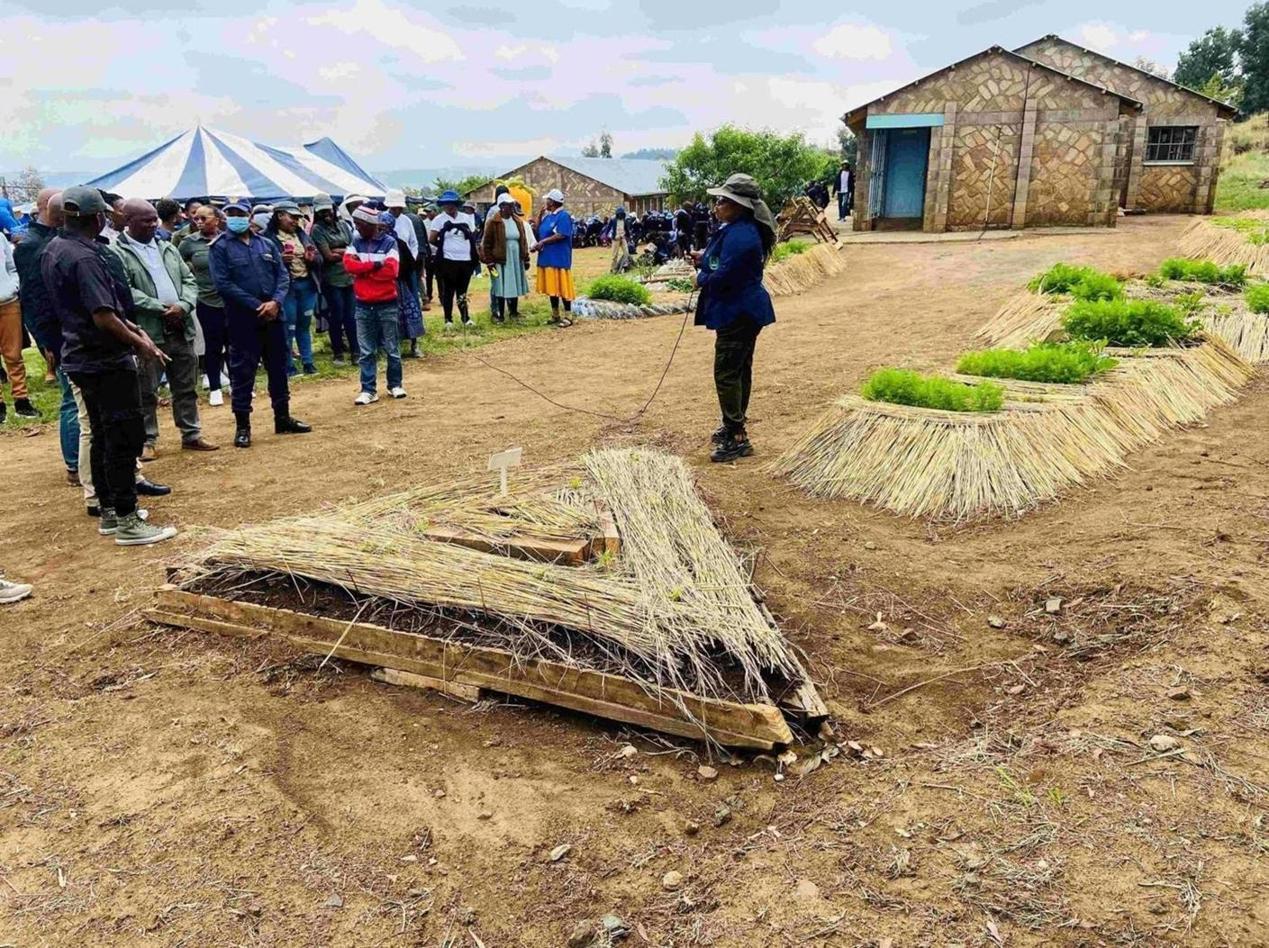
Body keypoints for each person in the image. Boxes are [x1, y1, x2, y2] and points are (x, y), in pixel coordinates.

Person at [40, 186, 178, 545]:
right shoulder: (85, 258)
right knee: (122, 437)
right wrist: (139, 344)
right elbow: (103, 315)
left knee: (102, 436)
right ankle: (128, 520)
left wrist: (138, 334)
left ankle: (110, 512)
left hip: (81, 356)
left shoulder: (57, 248)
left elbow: (103, 310)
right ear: (97, 218)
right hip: (104, 359)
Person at [112, 199, 217, 456]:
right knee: (146, 389)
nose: (152, 224)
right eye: (145, 220)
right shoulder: (118, 252)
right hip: (149, 330)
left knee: (185, 385)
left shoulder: (167, 247)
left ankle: (191, 434)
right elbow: (125, 291)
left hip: (180, 325)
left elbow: (189, 280)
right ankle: (147, 440)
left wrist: (183, 305)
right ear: (128, 221)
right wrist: (161, 308)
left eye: (154, 219)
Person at [209, 200, 312, 449]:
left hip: (274, 317)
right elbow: (223, 284)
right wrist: (258, 305)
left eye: (241, 213)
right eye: (231, 214)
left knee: (278, 368)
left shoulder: (265, 244)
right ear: (225, 217)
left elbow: (282, 276)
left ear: (250, 216)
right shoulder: (219, 247)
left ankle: (282, 417)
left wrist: (275, 302)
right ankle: (243, 426)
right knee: (243, 372)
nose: (237, 218)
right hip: (243, 320)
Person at [692, 173, 777, 464]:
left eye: (721, 201)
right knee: (739, 370)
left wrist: (701, 276)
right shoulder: (738, 229)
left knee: (727, 372)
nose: (716, 206)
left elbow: (724, 274)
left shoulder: (742, 235)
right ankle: (733, 424)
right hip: (742, 309)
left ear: (738, 205)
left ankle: (737, 435)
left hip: (739, 311)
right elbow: (720, 260)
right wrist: (704, 257)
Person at [15, 189, 79, 477]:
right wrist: (45, 341)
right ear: (49, 208)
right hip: (58, 334)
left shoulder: (54, 239)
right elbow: (33, 299)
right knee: (71, 400)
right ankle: (74, 464)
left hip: (70, 329)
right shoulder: (31, 245)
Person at [344, 204, 404, 404]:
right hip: (363, 304)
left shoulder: (390, 243)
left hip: (387, 302)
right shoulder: (355, 242)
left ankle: (395, 384)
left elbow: (391, 272)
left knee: (392, 347)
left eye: (359, 224)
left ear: (371, 224)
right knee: (366, 350)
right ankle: (368, 389)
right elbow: (348, 266)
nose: (357, 227)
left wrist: (364, 271)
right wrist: (375, 265)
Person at [179, 205, 229, 406]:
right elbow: (177, 267)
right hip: (206, 300)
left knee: (234, 343)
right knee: (213, 345)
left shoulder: (228, 239)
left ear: (217, 219)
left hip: (230, 300)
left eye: (204, 218)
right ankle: (215, 387)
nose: (199, 222)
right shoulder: (189, 243)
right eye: (196, 219)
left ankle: (236, 383)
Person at [266, 201, 319, 376]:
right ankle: (288, 365)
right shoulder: (268, 238)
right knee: (288, 326)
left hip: (306, 284)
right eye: (292, 217)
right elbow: (262, 265)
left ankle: (308, 361)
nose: (296, 221)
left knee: (304, 324)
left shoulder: (303, 236)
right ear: (280, 215)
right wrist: (279, 259)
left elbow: (319, 259)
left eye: (298, 218)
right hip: (286, 288)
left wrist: (312, 258)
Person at [310, 193, 357, 366]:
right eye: (321, 212)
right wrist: (342, 252)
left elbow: (353, 250)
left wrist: (340, 251)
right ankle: (338, 352)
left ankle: (355, 351)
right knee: (336, 315)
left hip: (349, 276)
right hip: (331, 279)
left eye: (328, 210)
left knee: (351, 316)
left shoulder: (343, 225)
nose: (326, 214)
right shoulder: (317, 230)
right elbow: (327, 256)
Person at [427, 190, 478, 332]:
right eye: (446, 204)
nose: (450, 207)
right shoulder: (439, 220)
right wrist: (443, 245)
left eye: (452, 204)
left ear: (457, 205)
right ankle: (448, 319)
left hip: (466, 259)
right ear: (443, 206)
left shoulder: (466, 218)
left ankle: (465, 317)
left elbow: (472, 235)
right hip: (448, 260)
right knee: (448, 290)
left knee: (462, 290)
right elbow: (431, 239)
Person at [0, 233, 38, 421]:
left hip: (8, 302)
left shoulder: (0, 238)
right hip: (8, 301)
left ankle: (21, 401)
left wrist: (13, 287)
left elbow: (11, 267)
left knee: (14, 354)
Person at [385, 190, 424, 356]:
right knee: (391, 309)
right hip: (389, 273)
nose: (397, 210)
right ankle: (392, 346)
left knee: (413, 303)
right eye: (394, 207)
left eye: (399, 207)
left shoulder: (407, 221)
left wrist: (411, 259)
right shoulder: (383, 220)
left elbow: (414, 243)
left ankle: (414, 344)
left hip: (407, 269)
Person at [480, 193, 530, 322]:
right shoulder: (493, 222)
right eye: (507, 205)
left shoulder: (518, 221)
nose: (510, 207)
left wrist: (526, 257)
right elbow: (487, 243)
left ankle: (514, 311)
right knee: (500, 286)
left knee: (514, 283)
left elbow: (523, 240)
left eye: (511, 205)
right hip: (500, 259)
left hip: (515, 258)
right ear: (501, 207)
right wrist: (489, 262)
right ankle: (500, 313)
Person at [531, 189, 575, 326]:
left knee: (562, 287)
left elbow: (561, 234)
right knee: (552, 287)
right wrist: (539, 215)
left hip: (559, 258)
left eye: (547, 200)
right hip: (547, 258)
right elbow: (538, 231)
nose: (545, 202)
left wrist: (543, 242)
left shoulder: (563, 216)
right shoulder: (548, 217)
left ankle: (568, 315)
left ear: (553, 202)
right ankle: (555, 314)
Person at [609, 207, 632, 273]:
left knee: (626, 253)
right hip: (616, 239)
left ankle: (625, 265)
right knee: (614, 255)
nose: (620, 215)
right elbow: (608, 227)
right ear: (617, 214)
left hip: (623, 238)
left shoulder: (624, 220)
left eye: (621, 214)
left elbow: (626, 229)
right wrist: (606, 235)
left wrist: (629, 237)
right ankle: (613, 268)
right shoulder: (613, 220)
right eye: (619, 214)